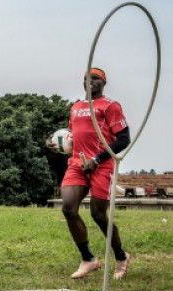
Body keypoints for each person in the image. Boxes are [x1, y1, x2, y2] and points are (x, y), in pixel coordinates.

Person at [49, 68, 132, 280]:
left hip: (101, 165)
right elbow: (73, 137)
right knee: (68, 208)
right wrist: (57, 144)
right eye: (87, 79)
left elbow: (123, 139)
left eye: (95, 78)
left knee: (98, 214)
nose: (91, 82)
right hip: (77, 163)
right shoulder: (76, 107)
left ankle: (121, 256)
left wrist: (97, 160)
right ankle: (88, 259)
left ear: (104, 82)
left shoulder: (110, 106)